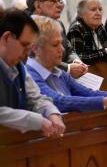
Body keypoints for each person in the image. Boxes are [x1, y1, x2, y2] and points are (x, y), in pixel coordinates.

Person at [26, 15, 107, 113]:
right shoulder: (29, 74)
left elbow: (88, 93)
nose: (62, 49)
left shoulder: (59, 73)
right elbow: (58, 101)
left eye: (61, 43)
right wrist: (105, 101)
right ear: (35, 48)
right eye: (55, 45)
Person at [0, 8, 65, 137]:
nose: (27, 53)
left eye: (29, 47)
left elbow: (36, 98)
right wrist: (38, 121)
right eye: (24, 45)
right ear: (6, 38)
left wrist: (52, 113)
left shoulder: (19, 66)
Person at [26, 0, 88, 78]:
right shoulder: (27, 27)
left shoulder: (58, 24)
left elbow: (68, 49)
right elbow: (33, 59)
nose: (59, 5)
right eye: (54, 1)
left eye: (60, 1)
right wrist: (68, 68)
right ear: (38, 5)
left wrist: (75, 60)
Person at [67, 0, 107, 65]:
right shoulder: (76, 29)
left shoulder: (99, 26)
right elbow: (78, 57)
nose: (98, 13)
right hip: (85, 74)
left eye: (100, 9)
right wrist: (104, 53)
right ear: (81, 13)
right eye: (93, 9)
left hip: (103, 72)